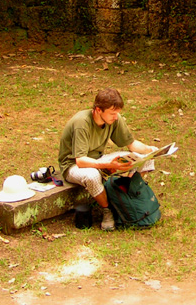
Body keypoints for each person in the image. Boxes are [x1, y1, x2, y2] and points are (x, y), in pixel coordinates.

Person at [58, 87, 159, 231]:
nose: (116, 117)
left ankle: (129, 197)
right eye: (112, 113)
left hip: (99, 159)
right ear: (98, 110)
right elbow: (80, 161)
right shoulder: (82, 123)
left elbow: (131, 144)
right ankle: (107, 211)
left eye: (117, 113)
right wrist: (108, 164)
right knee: (92, 175)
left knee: (146, 159)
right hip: (73, 166)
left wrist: (151, 150)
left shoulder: (114, 119)